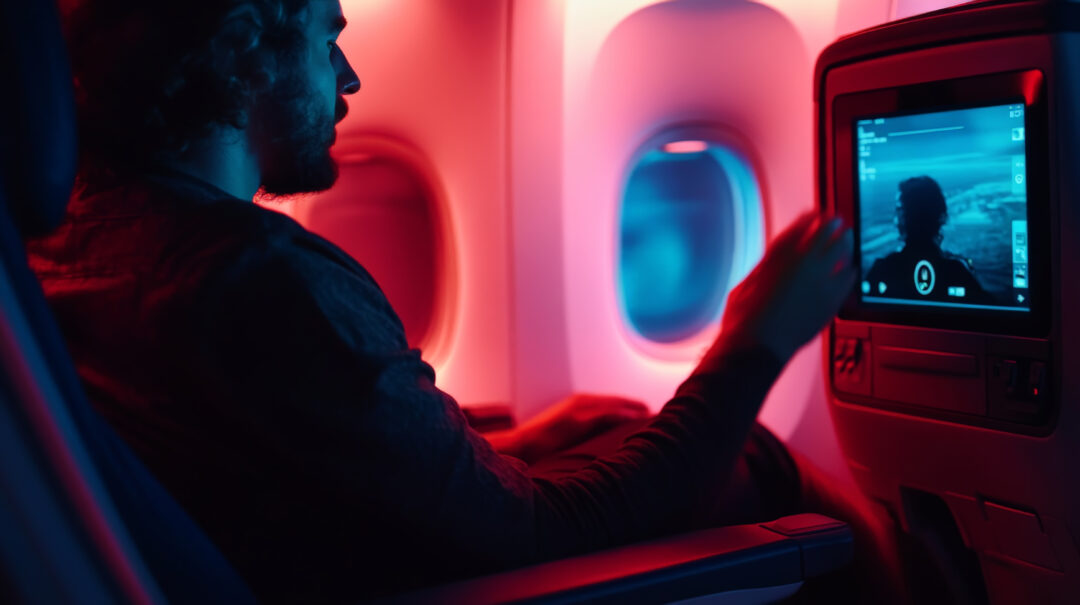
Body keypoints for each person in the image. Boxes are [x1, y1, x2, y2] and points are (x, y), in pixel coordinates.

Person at [31, 0, 875, 602]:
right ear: (247, 51)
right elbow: (548, 538)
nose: (350, 76)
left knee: (611, 428)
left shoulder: (74, 245)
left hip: (330, 554)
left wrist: (497, 442)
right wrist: (756, 338)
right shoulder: (254, 282)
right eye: (330, 41)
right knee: (784, 484)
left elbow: (282, 463)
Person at [866, 176, 991, 304]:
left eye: (899, 209)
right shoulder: (957, 272)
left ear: (907, 216)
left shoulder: (885, 269)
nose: (895, 216)